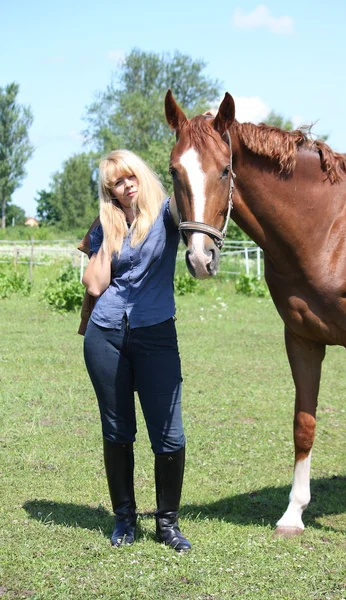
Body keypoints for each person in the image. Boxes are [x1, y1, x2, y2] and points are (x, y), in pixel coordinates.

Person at [82, 149, 191, 552]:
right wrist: (110, 237)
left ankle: (167, 524)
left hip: (156, 333)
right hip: (106, 335)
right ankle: (124, 521)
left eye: (130, 178)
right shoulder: (104, 225)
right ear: (109, 191)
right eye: (116, 183)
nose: (126, 187)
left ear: (142, 175)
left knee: (170, 433)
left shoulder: (167, 214)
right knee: (117, 430)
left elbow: (196, 198)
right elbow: (95, 285)